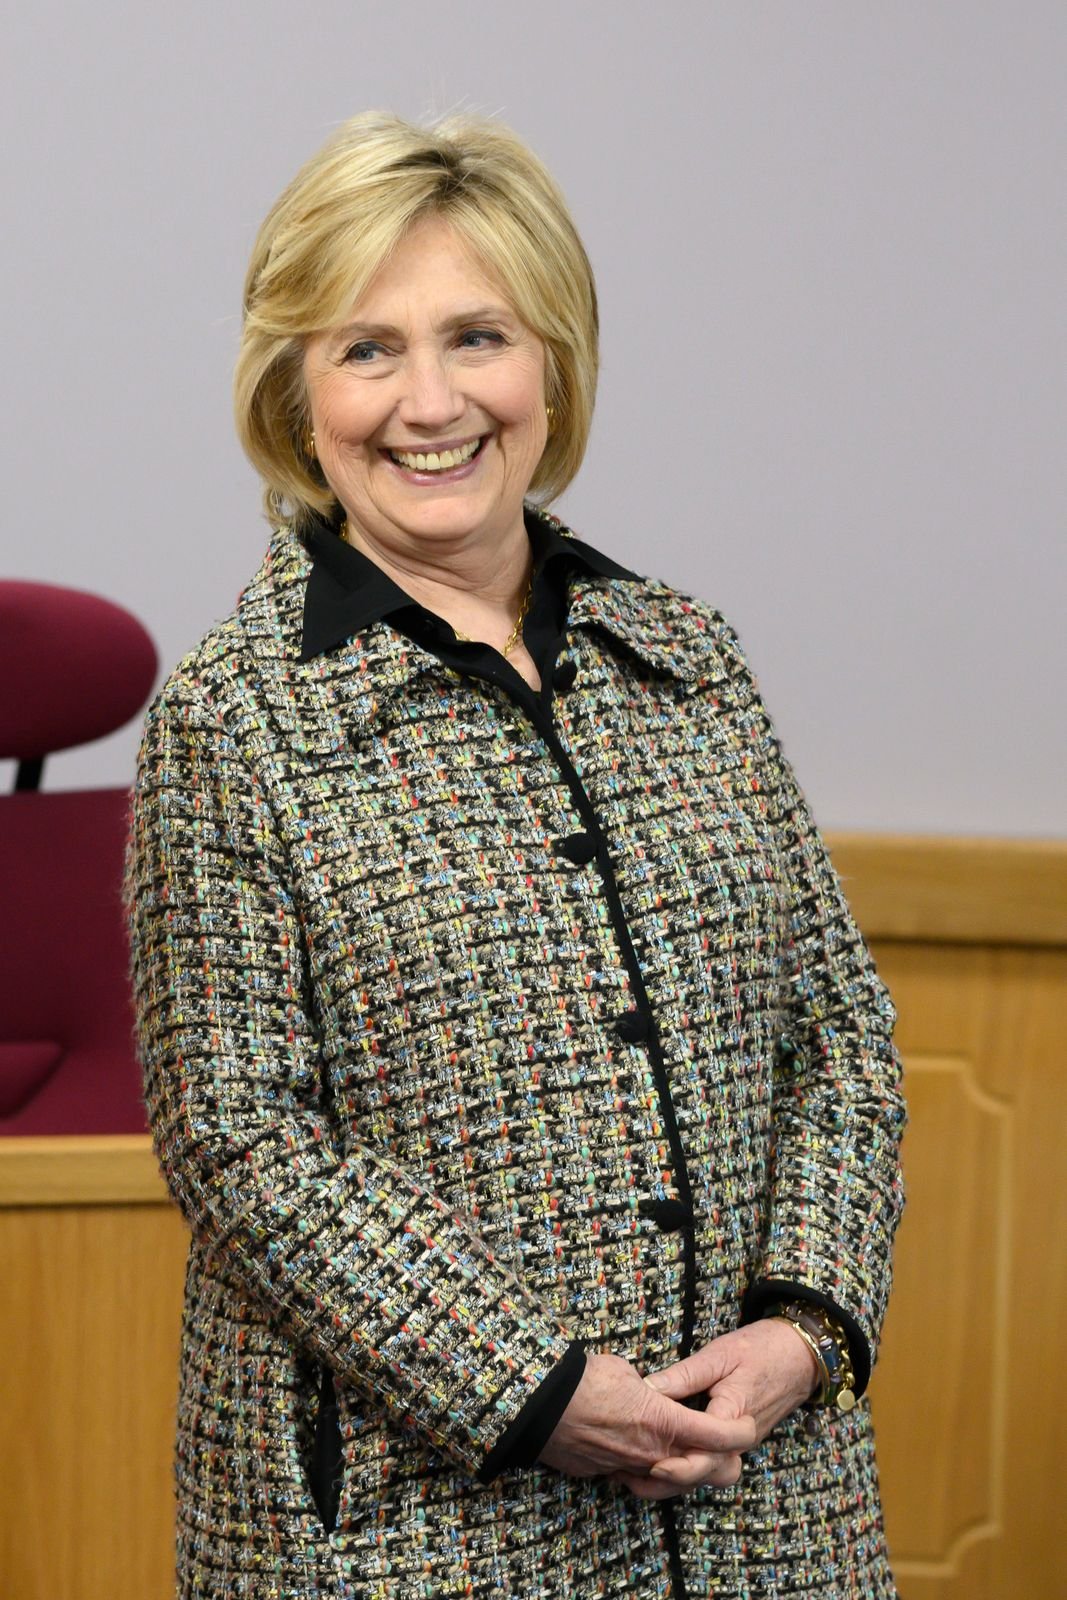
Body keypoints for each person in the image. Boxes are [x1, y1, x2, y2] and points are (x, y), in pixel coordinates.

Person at [127, 109, 906, 1600]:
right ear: (297, 390)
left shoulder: (685, 657)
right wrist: (538, 1387)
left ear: (553, 358)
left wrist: (809, 1320)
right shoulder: (234, 721)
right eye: (367, 349)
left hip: (762, 1501)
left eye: (477, 336)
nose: (430, 402)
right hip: (415, 1527)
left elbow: (843, 1040)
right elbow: (239, 1142)